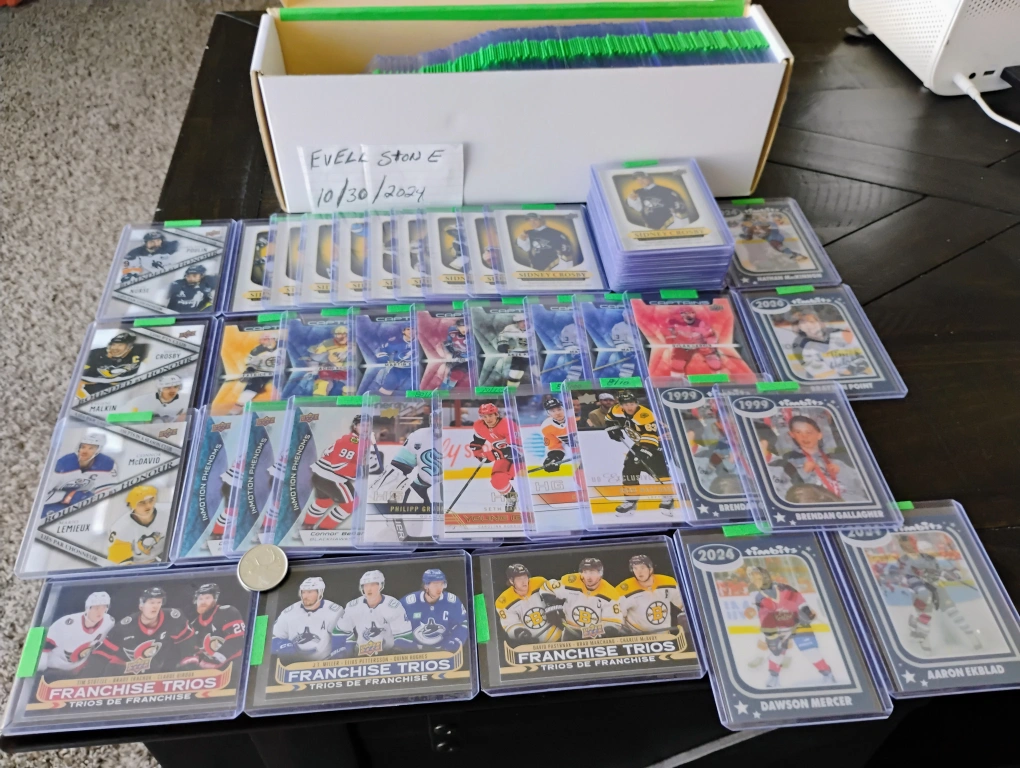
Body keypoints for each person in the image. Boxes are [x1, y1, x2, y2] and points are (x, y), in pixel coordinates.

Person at [746, 565, 835, 689]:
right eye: (753, 579)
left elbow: (800, 601)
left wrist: (807, 611)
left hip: (799, 623)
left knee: (811, 652)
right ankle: (773, 677)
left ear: (765, 577)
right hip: (780, 627)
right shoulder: (758, 596)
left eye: (758, 578)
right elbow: (764, 617)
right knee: (776, 653)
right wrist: (771, 636)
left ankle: (828, 674)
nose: (756, 581)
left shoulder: (784, 588)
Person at [605, 391, 676, 516]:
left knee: (658, 469)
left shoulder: (644, 414)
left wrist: (644, 452)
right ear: (620, 405)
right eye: (626, 404)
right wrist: (612, 429)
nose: (629, 407)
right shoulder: (616, 410)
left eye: (632, 404)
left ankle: (668, 497)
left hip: (661, 442)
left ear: (637, 403)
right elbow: (609, 418)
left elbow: (651, 435)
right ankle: (630, 500)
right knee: (629, 468)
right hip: (640, 442)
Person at [94, 586, 191, 675]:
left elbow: (187, 642)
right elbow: (101, 654)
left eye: (159, 602)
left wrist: (188, 664)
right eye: (151, 602)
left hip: (158, 674)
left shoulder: (171, 618)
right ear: (141, 605)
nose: (155, 606)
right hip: (123, 675)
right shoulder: (125, 626)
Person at [782, 415, 867, 502]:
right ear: (792, 435)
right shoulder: (789, 465)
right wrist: (803, 473)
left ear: (819, 435)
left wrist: (842, 472)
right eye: (798, 432)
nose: (804, 437)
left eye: (809, 432)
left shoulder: (837, 461)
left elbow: (862, 487)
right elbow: (784, 494)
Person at [303, 415, 365, 531]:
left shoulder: (353, 440)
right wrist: (359, 470)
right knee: (352, 503)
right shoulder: (353, 441)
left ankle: (306, 527)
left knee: (323, 502)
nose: (366, 428)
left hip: (319, 476)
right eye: (362, 425)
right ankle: (323, 529)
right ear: (355, 427)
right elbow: (338, 466)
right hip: (332, 478)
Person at [335, 570, 415, 657]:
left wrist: (395, 655)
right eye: (366, 585)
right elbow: (340, 631)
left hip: (387, 654)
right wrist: (342, 654)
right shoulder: (353, 606)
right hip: (360, 656)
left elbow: (404, 636)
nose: (369, 589)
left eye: (373, 585)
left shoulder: (393, 606)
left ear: (381, 585)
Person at [539, 558, 623, 641]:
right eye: (585, 572)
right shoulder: (571, 581)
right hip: (570, 631)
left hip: (595, 638)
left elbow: (614, 624)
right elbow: (547, 587)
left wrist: (588, 633)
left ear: (600, 573)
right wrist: (552, 607)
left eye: (592, 572)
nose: (588, 577)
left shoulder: (610, 593)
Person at [38, 591, 114, 676]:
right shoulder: (66, 624)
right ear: (88, 608)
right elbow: (44, 646)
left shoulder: (108, 622)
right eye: (96, 608)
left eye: (103, 608)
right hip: (55, 668)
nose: (100, 612)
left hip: (80, 667)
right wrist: (41, 669)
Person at [43, 430, 118, 514]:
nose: (85, 451)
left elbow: (109, 491)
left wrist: (92, 497)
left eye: (91, 448)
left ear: (98, 450)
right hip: (53, 506)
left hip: (85, 508)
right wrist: (67, 496)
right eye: (83, 447)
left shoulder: (107, 464)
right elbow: (43, 494)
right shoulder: (64, 464)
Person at [271, 576, 344, 663]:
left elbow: (343, 638)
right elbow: (273, 637)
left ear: (320, 592)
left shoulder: (335, 611)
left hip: (325, 664)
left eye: (310, 592)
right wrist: (282, 645)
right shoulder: (288, 613)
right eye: (303, 592)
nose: (305, 596)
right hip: (293, 665)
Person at [180, 583, 247, 670]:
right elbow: (194, 651)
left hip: (236, 667)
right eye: (200, 599)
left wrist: (217, 658)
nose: (203, 602)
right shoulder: (194, 625)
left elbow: (238, 640)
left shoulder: (228, 612)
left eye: (207, 598)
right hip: (210, 672)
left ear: (215, 599)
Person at [399, 569, 469, 652]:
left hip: (444, 652)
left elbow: (463, 623)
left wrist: (454, 642)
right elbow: (396, 626)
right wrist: (407, 646)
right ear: (426, 585)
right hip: (414, 654)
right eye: (435, 585)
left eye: (442, 584)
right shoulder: (408, 603)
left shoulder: (452, 602)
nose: (439, 588)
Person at [469, 403, 520, 513]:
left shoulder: (507, 424)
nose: (488, 419)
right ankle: (511, 497)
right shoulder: (479, 425)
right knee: (497, 481)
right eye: (484, 416)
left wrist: (492, 455)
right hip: (504, 458)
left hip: (520, 458)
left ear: (497, 414)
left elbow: (513, 450)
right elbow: (477, 442)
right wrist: (478, 453)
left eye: (490, 415)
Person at [616, 554, 685, 634]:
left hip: (665, 635)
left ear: (651, 569)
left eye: (642, 567)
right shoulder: (624, 589)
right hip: (637, 636)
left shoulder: (668, 582)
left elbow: (684, 605)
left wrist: (684, 617)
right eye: (635, 568)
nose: (639, 572)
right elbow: (615, 614)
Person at [496, 564, 560, 644]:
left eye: (525, 577)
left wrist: (555, 606)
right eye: (519, 579)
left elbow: (561, 592)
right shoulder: (503, 601)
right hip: (537, 644)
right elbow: (510, 625)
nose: (524, 581)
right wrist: (520, 633)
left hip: (560, 636)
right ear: (511, 581)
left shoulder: (540, 582)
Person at [107, 485, 165, 564]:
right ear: (131, 505)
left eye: (151, 500)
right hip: (141, 567)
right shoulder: (120, 528)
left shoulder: (171, 511)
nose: (148, 506)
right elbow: (118, 562)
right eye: (142, 503)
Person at [80, 332, 148, 395]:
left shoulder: (140, 351)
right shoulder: (94, 354)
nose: (115, 348)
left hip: (129, 387)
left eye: (120, 345)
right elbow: (81, 376)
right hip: (97, 387)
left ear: (129, 347)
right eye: (113, 345)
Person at [624, 171, 689, 229]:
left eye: (642, 178)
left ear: (650, 177)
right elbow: (639, 208)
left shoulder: (666, 191)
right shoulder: (638, 192)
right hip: (650, 227)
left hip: (670, 225)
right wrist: (633, 200)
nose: (640, 181)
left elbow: (681, 211)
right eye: (638, 179)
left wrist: (681, 228)